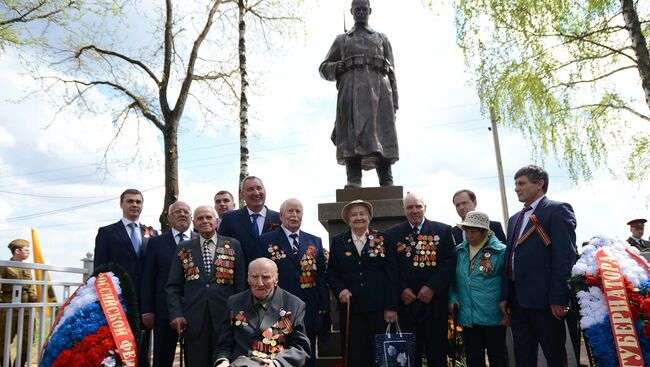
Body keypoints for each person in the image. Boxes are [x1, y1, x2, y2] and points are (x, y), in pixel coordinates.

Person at [501, 165, 577, 367]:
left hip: (546, 303)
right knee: (523, 357)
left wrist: (559, 298)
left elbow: (564, 257)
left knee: (554, 356)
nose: (516, 188)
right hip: (518, 302)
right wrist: (505, 296)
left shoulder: (557, 210)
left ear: (539, 184)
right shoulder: (514, 219)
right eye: (515, 184)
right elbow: (510, 258)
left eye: (521, 183)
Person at [319, 0, 399, 188]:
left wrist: (395, 100)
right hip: (351, 93)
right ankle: (353, 179)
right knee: (350, 135)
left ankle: (386, 179)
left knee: (383, 135)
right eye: (357, 9)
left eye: (364, 9)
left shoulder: (382, 38)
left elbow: (392, 71)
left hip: (380, 94)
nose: (361, 12)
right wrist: (336, 67)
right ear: (352, 12)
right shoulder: (342, 39)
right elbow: (323, 68)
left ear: (370, 11)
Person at [166, 205, 246, 367]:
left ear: (216, 221)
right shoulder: (184, 248)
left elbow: (241, 285)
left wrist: (240, 315)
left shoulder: (233, 245)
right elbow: (173, 286)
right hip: (194, 319)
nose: (205, 221)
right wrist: (176, 314)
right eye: (200, 218)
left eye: (208, 217)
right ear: (194, 223)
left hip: (226, 318)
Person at [386, 193, 456, 367]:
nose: (414, 210)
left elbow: (450, 263)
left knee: (437, 354)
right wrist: (401, 289)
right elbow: (390, 267)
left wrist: (432, 287)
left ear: (425, 207)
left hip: (435, 304)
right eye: (410, 207)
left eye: (418, 206)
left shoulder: (443, 230)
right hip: (407, 305)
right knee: (409, 356)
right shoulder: (392, 234)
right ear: (403, 210)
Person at [257, 198, 329, 367]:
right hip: (278, 309)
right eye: (290, 211)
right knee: (278, 355)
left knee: (306, 354)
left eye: (298, 211)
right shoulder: (265, 241)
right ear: (281, 216)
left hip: (308, 309)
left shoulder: (315, 241)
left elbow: (320, 277)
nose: (294, 215)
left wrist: (324, 306)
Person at [326, 199, 398, 366]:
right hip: (351, 310)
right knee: (354, 355)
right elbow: (331, 275)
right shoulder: (338, 241)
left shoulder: (383, 239)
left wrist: (391, 307)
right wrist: (340, 290)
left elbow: (392, 275)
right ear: (348, 219)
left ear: (369, 217)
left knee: (379, 355)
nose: (358, 217)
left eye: (362, 213)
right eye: (354, 214)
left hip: (379, 310)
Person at [94, 188, 157, 367]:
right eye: (130, 201)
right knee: (118, 348)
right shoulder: (107, 232)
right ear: (121, 204)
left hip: (145, 301)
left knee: (144, 348)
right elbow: (99, 268)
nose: (134, 205)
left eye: (138, 202)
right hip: (117, 301)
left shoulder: (152, 233)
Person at [213, 258, 311, 367]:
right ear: (248, 279)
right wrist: (223, 362)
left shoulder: (294, 304)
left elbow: (301, 348)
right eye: (254, 277)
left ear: (276, 279)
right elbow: (224, 345)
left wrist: (277, 363)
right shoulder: (234, 302)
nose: (259, 283)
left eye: (266, 277)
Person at [448, 211, 508, 367]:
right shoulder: (459, 251)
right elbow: (452, 280)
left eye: (473, 231)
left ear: (485, 232)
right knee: (473, 358)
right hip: (468, 316)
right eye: (466, 231)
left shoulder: (500, 251)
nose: (468, 235)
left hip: (493, 315)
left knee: (497, 357)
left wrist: (507, 304)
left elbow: (508, 282)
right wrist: (453, 298)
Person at [141, 201, 195, 367]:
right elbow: (148, 277)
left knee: (195, 358)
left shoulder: (200, 240)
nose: (182, 214)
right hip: (164, 310)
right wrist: (147, 310)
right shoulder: (156, 242)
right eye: (177, 212)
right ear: (169, 217)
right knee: (162, 358)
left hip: (195, 309)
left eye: (186, 211)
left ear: (191, 217)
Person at [218, 176, 281, 266]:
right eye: (250, 189)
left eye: (259, 188)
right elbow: (222, 250)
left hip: (273, 277)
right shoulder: (230, 219)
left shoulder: (279, 218)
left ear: (265, 191)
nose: (256, 193)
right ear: (242, 195)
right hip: (242, 277)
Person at [0, 239, 37, 367]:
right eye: (26, 250)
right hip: (8, 307)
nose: (29, 253)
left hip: (26, 307)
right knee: (3, 339)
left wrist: (33, 299)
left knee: (28, 338)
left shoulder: (27, 267)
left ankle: (19, 364)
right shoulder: (4, 266)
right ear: (17, 251)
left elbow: (31, 286)